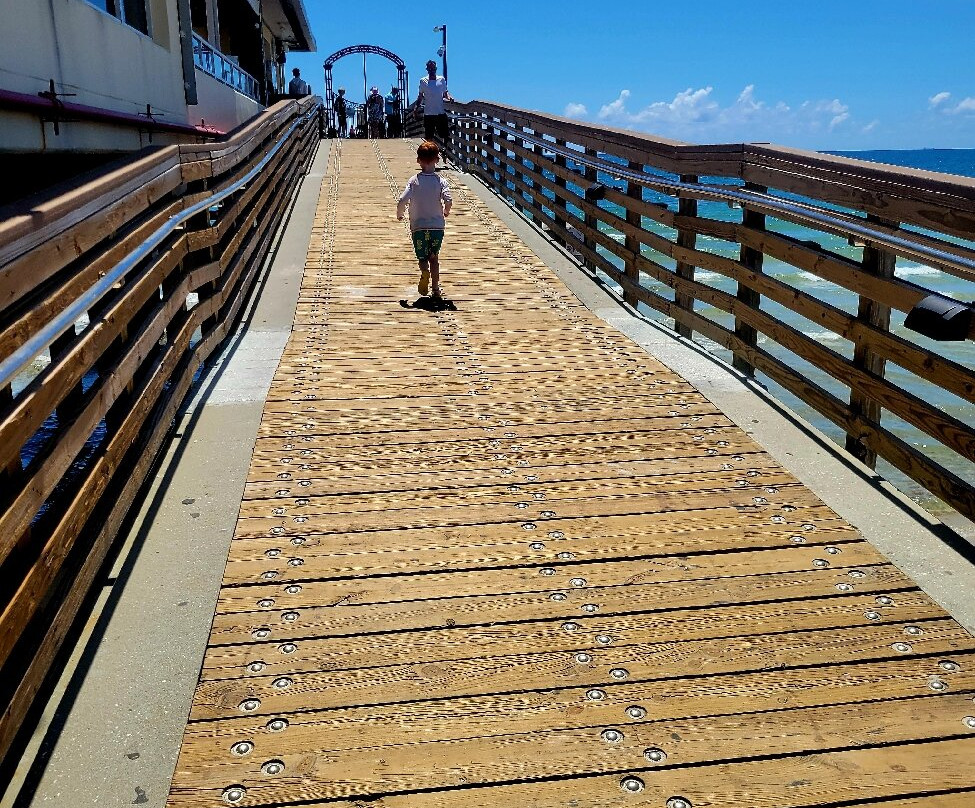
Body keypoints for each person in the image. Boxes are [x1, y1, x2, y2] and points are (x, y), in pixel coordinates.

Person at [397, 141, 452, 299]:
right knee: (434, 258)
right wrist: (446, 211)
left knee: (422, 258)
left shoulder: (413, 181)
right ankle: (435, 289)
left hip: (418, 227)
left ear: (418, 160)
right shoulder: (441, 181)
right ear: (437, 160)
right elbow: (448, 200)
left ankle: (424, 271)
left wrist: (400, 214)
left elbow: (402, 200)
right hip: (436, 227)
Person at [415, 59, 452, 141]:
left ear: (436, 69)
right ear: (427, 69)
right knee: (429, 137)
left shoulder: (441, 79)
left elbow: (445, 92)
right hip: (428, 113)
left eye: (433, 68)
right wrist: (416, 109)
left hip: (440, 112)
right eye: (430, 68)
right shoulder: (423, 81)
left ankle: (443, 148)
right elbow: (420, 96)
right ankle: (430, 149)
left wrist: (449, 98)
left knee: (444, 135)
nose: (432, 70)